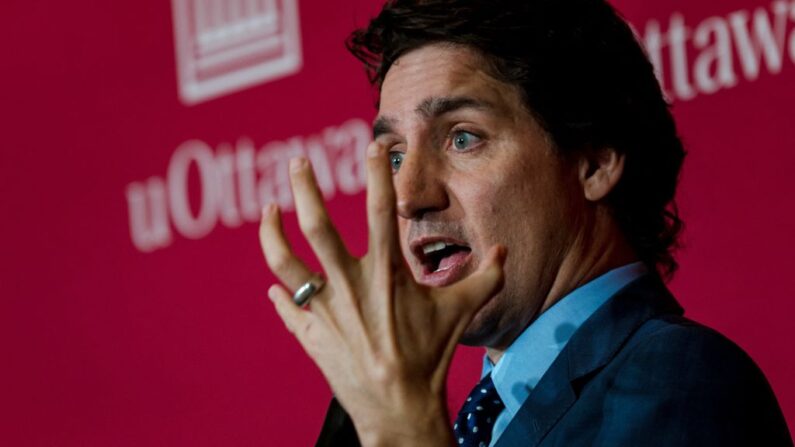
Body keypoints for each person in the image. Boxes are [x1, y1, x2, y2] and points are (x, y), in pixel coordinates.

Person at [258, 0, 793, 445]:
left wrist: (403, 431)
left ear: (595, 159)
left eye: (462, 137)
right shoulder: (477, 416)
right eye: (394, 155)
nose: (408, 196)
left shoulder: (678, 380)